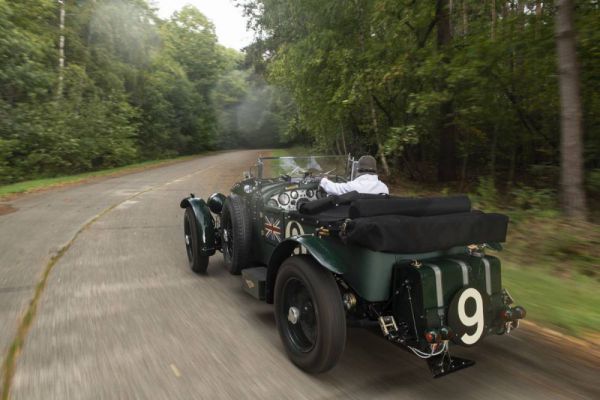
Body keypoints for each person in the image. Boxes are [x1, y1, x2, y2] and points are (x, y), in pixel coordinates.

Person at [319, 155, 389, 195]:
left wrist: (324, 179)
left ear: (358, 170)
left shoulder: (353, 186)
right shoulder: (384, 188)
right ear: (375, 170)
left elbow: (335, 188)